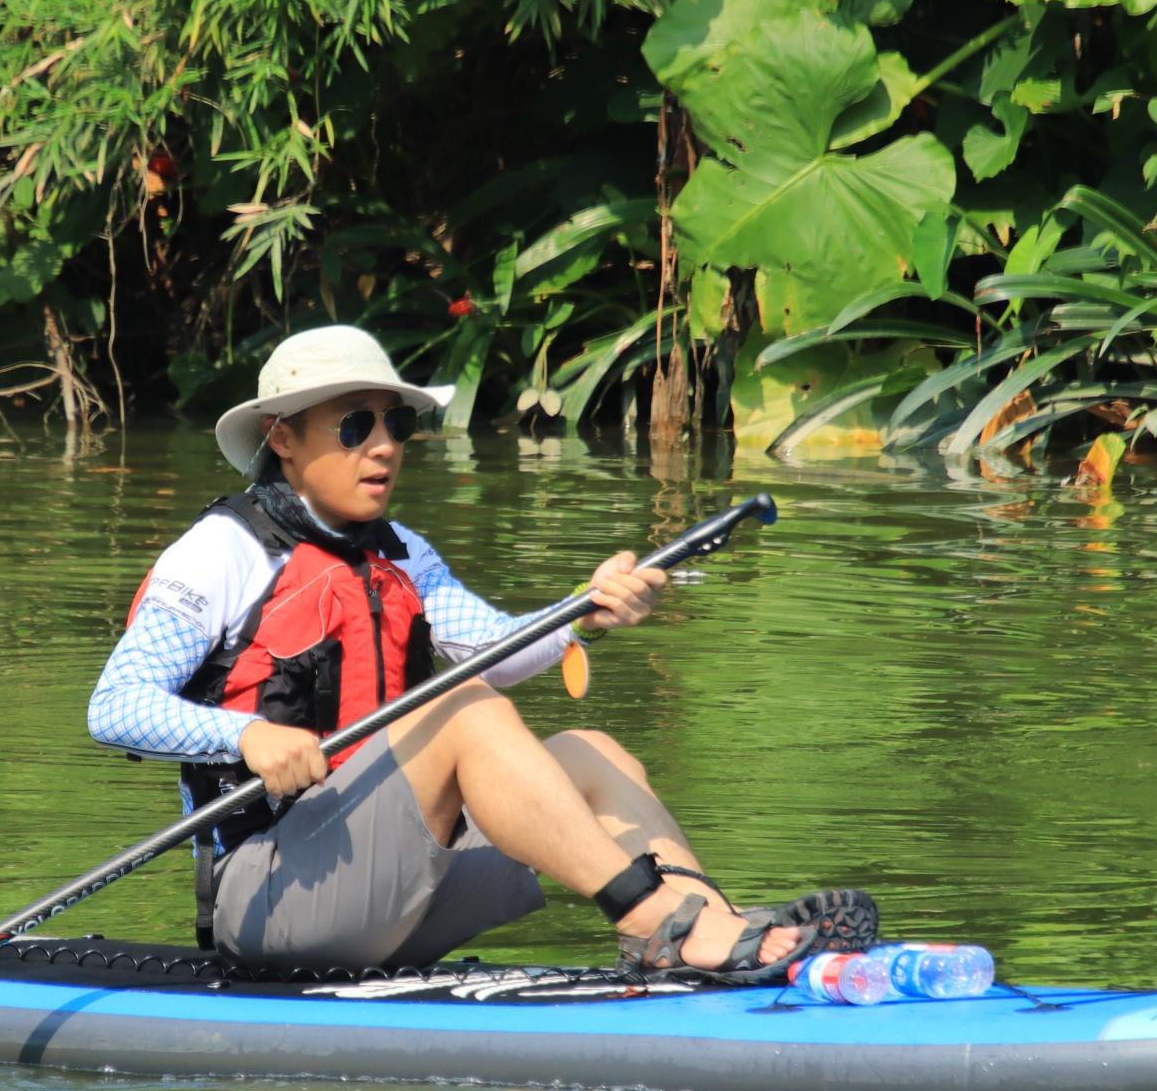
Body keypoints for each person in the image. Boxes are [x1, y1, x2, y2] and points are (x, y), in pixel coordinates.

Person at [86, 324, 875, 979]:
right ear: (283, 438)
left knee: (589, 753)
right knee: (461, 711)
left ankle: (701, 930)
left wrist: (586, 612)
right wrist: (246, 736)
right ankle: (658, 922)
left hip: (389, 882)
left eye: (396, 424)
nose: (384, 446)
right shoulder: (221, 552)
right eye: (355, 426)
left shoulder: (404, 553)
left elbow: (496, 647)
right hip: (269, 901)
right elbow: (116, 706)